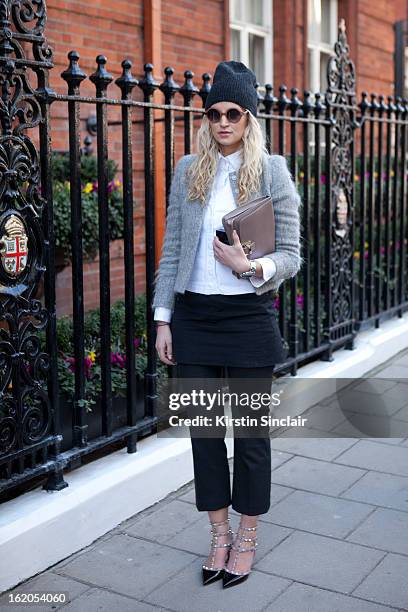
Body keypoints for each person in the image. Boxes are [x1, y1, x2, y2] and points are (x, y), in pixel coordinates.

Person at [152, 60, 302, 588]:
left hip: (246, 320)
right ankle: (218, 534)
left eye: (232, 113)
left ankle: (249, 535)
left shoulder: (272, 172)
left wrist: (250, 267)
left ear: (249, 118)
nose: (222, 123)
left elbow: (291, 255)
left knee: (252, 436)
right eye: (214, 113)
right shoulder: (189, 169)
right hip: (193, 318)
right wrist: (163, 317)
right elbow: (172, 250)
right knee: (205, 434)